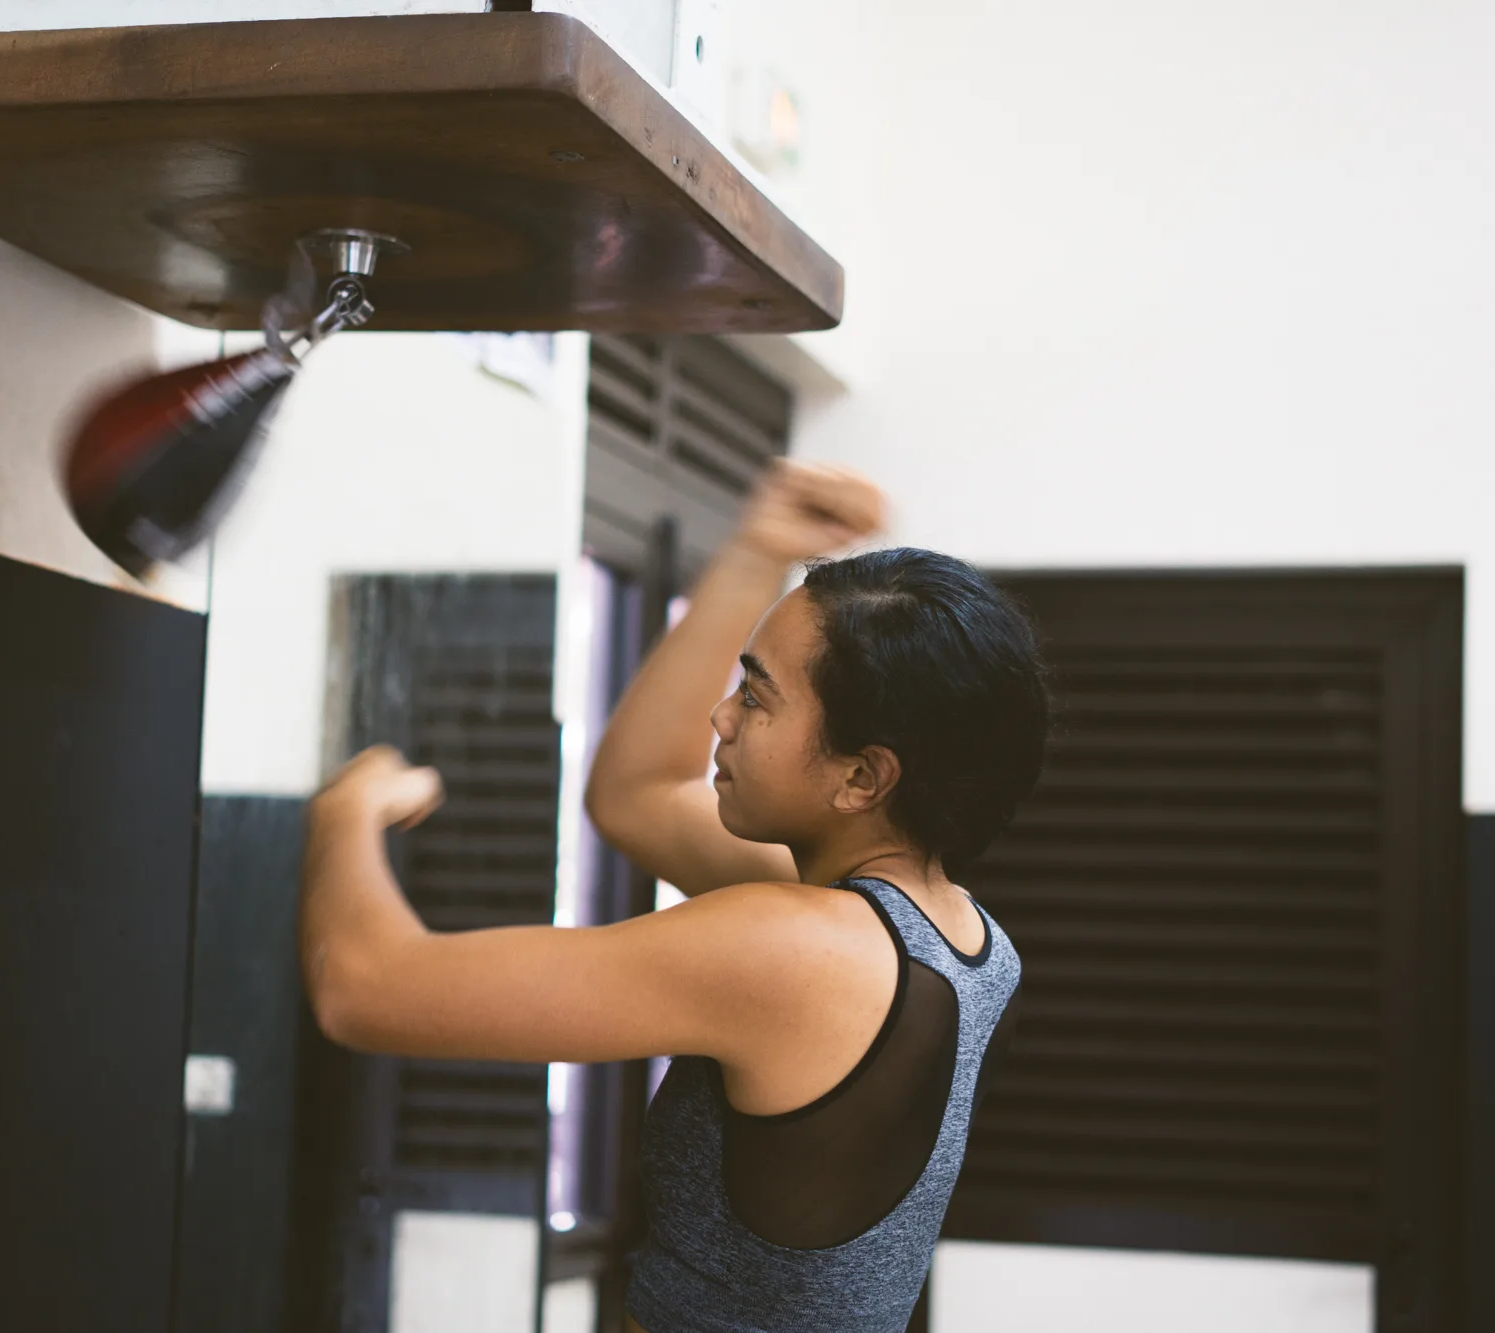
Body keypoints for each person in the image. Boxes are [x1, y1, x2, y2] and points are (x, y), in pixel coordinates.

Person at [300, 461, 1050, 1332]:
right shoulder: (963, 942)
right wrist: (757, 550)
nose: (721, 717)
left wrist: (344, 813)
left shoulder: (794, 950)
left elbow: (364, 986)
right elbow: (637, 795)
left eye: (758, 696)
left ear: (861, 775)